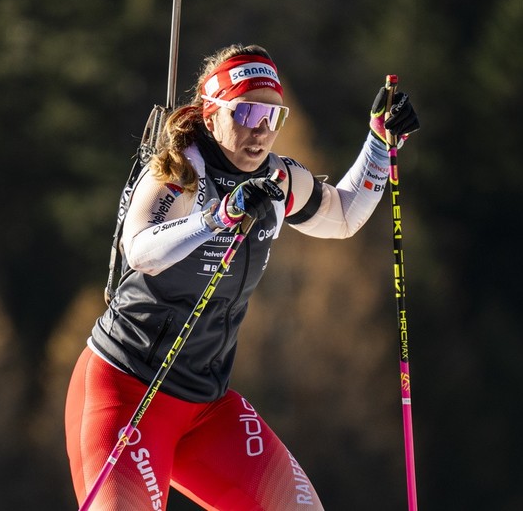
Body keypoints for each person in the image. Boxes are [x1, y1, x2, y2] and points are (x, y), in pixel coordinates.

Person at [65, 43, 419, 510]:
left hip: (207, 409)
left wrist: (378, 145)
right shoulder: (179, 171)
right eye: (247, 114)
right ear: (211, 115)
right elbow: (142, 250)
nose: (261, 133)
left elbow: (344, 216)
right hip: (128, 392)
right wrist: (219, 216)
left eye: (274, 118)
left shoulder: (278, 180)